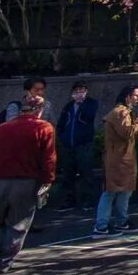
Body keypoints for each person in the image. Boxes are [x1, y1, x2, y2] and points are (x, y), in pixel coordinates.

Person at [0, 95, 57, 274]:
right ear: (40, 110)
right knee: (17, 225)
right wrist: (48, 180)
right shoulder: (43, 128)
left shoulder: (1, 129)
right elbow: (48, 158)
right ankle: (4, 263)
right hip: (25, 181)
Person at [94, 85, 138, 236]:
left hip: (123, 158)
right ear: (127, 97)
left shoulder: (123, 112)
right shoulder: (121, 112)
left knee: (125, 190)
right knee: (111, 191)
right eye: (136, 95)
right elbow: (127, 132)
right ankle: (101, 225)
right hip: (117, 158)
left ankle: (121, 220)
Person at [55, 80, 99, 209]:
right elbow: (61, 123)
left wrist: (81, 104)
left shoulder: (91, 103)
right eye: (76, 90)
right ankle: (69, 200)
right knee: (68, 173)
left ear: (86, 91)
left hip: (84, 144)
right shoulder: (68, 106)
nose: (79, 92)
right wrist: (62, 136)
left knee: (86, 172)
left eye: (82, 90)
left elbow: (89, 116)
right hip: (68, 144)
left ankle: (88, 200)